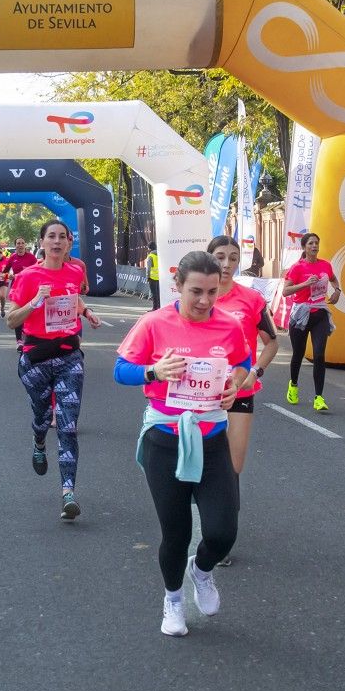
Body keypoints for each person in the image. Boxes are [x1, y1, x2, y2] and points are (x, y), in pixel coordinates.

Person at [115, 251, 252, 637]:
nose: (205, 301)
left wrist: (234, 386)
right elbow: (120, 371)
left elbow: (244, 361)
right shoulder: (154, 323)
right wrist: (153, 370)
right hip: (165, 439)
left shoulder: (228, 326)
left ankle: (202, 570)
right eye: (196, 291)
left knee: (223, 532)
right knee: (174, 532)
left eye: (212, 291)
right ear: (177, 284)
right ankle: (173, 601)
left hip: (211, 437)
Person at [7, 220, 103, 521]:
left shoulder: (74, 271)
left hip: (68, 356)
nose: (57, 241)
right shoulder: (27, 276)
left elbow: (73, 298)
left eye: (63, 237)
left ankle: (68, 492)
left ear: (69, 242)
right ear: (42, 242)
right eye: (52, 236)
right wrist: (35, 302)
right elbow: (11, 320)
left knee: (67, 425)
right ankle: (38, 441)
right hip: (35, 358)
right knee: (41, 417)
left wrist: (86, 311)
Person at [207, 235, 280, 566]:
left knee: (231, 467)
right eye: (220, 256)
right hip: (200, 394)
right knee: (203, 464)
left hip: (240, 392)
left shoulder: (252, 299)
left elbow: (271, 342)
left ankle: (223, 537)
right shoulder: (197, 296)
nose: (226, 264)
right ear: (209, 258)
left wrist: (256, 372)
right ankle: (206, 525)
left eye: (233, 258)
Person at [282, 233, 340, 412]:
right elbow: (286, 291)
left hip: (320, 314)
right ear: (304, 247)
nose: (314, 246)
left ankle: (318, 397)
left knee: (319, 355)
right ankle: (293, 384)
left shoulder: (325, 265)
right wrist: (305, 284)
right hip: (301, 314)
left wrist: (337, 290)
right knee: (298, 353)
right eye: (311, 243)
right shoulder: (297, 268)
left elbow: (333, 278)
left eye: (316, 243)